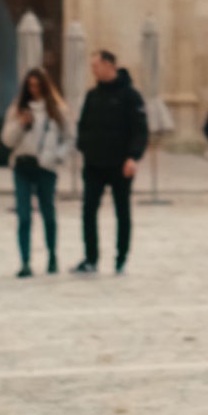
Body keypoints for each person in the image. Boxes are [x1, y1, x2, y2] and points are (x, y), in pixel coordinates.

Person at [74, 50, 148, 274]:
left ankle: (121, 257)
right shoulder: (92, 96)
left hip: (120, 166)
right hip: (94, 164)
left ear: (108, 65)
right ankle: (91, 258)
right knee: (88, 211)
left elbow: (140, 130)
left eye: (95, 66)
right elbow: (83, 125)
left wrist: (133, 157)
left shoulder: (130, 96)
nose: (93, 70)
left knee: (122, 213)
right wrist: (84, 147)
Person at [2, 68, 73, 277]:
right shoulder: (17, 110)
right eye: (30, 86)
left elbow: (69, 138)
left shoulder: (57, 110)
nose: (34, 90)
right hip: (23, 166)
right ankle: (25, 261)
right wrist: (20, 125)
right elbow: (6, 140)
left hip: (46, 168)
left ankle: (52, 255)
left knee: (48, 214)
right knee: (24, 216)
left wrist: (56, 157)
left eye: (37, 85)